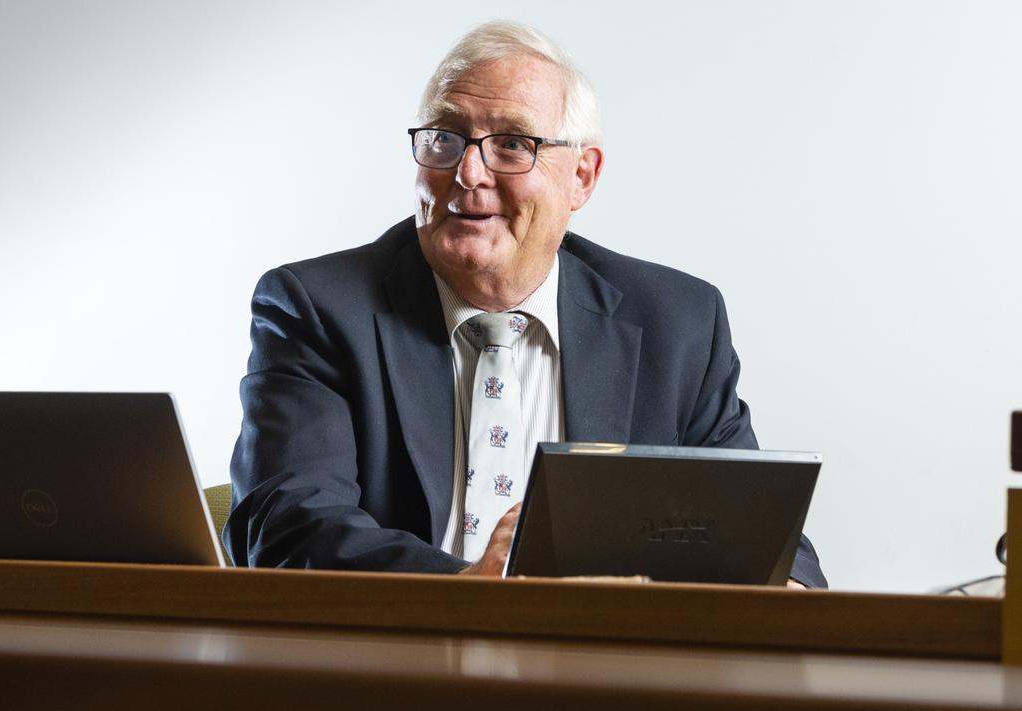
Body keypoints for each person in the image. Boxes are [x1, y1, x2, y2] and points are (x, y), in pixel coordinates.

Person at [225, 20, 826, 588]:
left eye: (512, 144)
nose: (467, 172)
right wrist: (466, 589)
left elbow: (755, 521)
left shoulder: (678, 321)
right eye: (445, 138)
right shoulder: (319, 308)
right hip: (397, 660)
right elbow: (287, 525)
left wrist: (784, 588)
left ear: (582, 177)